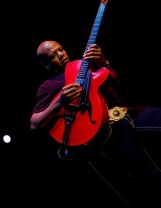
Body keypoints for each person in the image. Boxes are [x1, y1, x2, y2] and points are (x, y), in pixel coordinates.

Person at [30, 40, 161, 207]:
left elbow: (117, 90)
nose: (61, 55)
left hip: (123, 114)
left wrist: (103, 62)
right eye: (53, 56)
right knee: (148, 177)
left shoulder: (82, 66)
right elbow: (34, 124)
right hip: (107, 134)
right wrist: (60, 102)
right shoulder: (48, 86)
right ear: (46, 65)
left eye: (60, 49)